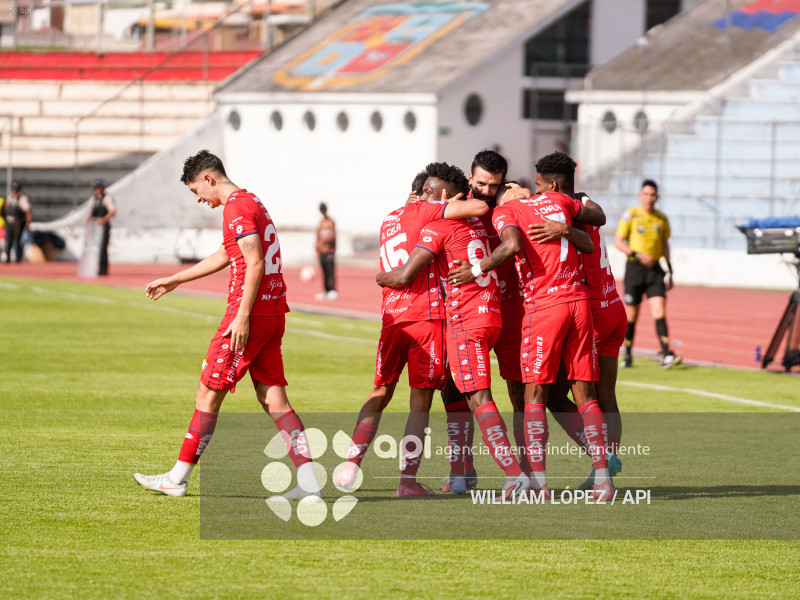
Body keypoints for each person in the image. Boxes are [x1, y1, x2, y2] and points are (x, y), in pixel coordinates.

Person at [134, 150, 319, 500]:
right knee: (275, 400)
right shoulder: (251, 201)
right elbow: (227, 253)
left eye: (195, 191)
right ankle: (310, 485)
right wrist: (177, 279)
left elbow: (254, 262)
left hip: (249, 314)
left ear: (208, 179)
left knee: (207, 394)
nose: (197, 199)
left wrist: (242, 316)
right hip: (274, 312)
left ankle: (176, 478)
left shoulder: (236, 206)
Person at [448, 179, 615, 500]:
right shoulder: (557, 201)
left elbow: (511, 245)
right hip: (579, 304)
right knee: (586, 394)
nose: (516, 185)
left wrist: (476, 269)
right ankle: (603, 480)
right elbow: (592, 235)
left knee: (534, 395)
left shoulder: (506, 210)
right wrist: (566, 228)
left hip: (544, 308)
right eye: (509, 185)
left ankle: (538, 484)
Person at [332, 163, 490, 498]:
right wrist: (454, 202)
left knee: (380, 391)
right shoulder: (430, 211)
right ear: (441, 194)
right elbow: (479, 206)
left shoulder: (390, 217)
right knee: (421, 403)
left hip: (391, 316)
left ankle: (350, 464)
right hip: (426, 317)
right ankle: (407, 482)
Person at [376, 165, 530, 500]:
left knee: (476, 397)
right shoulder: (487, 217)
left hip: (464, 320)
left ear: (444, 197)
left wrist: (381, 278)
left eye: (429, 195)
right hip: (494, 314)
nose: (422, 200)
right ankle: (462, 475)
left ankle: (516, 476)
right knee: (459, 393)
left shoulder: (440, 227)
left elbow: (403, 275)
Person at [525, 151, 626, 490]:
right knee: (605, 394)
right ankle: (606, 466)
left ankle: (603, 463)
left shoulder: (561, 210)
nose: (537, 193)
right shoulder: (582, 202)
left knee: (557, 397)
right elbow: (599, 214)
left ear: (552, 184)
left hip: (591, 314)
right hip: (614, 308)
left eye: (539, 186)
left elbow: (596, 219)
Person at [614, 179, 681, 369]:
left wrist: (669, 269)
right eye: (646, 194)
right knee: (631, 316)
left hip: (655, 272)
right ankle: (627, 356)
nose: (649, 198)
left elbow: (665, 245)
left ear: (657, 197)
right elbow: (619, 242)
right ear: (640, 196)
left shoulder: (662, 219)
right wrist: (637, 254)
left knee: (659, 312)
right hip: (635, 269)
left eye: (652, 195)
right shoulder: (631, 215)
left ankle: (667, 354)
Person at [84, 179, 116, 276]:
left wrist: (103, 220)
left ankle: (103, 269)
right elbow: (92, 211)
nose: (97, 190)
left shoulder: (107, 198)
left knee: (103, 248)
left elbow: (112, 211)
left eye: (99, 188)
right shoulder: (94, 199)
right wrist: (87, 220)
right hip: (95, 226)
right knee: (93, 248)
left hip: (103, 226)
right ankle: (92, 268)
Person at [2, 181, 32, 263]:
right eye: (13, 189)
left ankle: (18, 259)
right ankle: (7, 259)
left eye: (16, 189)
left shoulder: (22, 198)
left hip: (17, 222)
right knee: (8, 241)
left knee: (17, 240)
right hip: (9, 222)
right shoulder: (10, 198)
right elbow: (5, 209)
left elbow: (28, 210)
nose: (14, 191)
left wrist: (28, 222)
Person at [315, 202, 337, 301]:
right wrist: (317, 249)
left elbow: (333, 236)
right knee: (323, 272)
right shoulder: (321, 223)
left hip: (329, 251)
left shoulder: (330, 222)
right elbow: (318, 236)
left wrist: (333, 249)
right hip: (321, 251)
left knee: (330, 271)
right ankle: (325, 290)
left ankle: (332, 290)